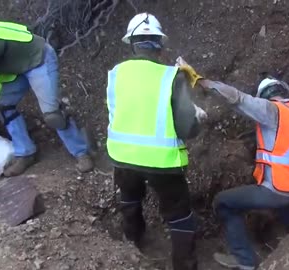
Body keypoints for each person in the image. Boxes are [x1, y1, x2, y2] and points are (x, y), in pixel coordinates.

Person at [198, 77, 289, 270]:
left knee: (223, 202)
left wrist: (203, 82)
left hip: (277, 191)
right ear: (284, 91)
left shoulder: (271, 110)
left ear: (264, 96)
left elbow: (237, 98)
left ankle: (244, 260)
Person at [106, 13, 206, 270]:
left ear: (132, 44)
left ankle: (133, 241)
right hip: (162, 160)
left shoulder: (116, 74)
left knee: (130, 197)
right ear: (160, 45)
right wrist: (197, 123)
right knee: (179, 213)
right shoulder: (173, 77)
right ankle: (184, 265)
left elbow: (115, 112)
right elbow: (186, 126)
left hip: (124, 155)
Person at [0, 21, 94, 176]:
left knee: (53, 115)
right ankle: (25, 153)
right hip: (16, 70)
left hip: (38, 58)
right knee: (3, 107)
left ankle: (82, 152)